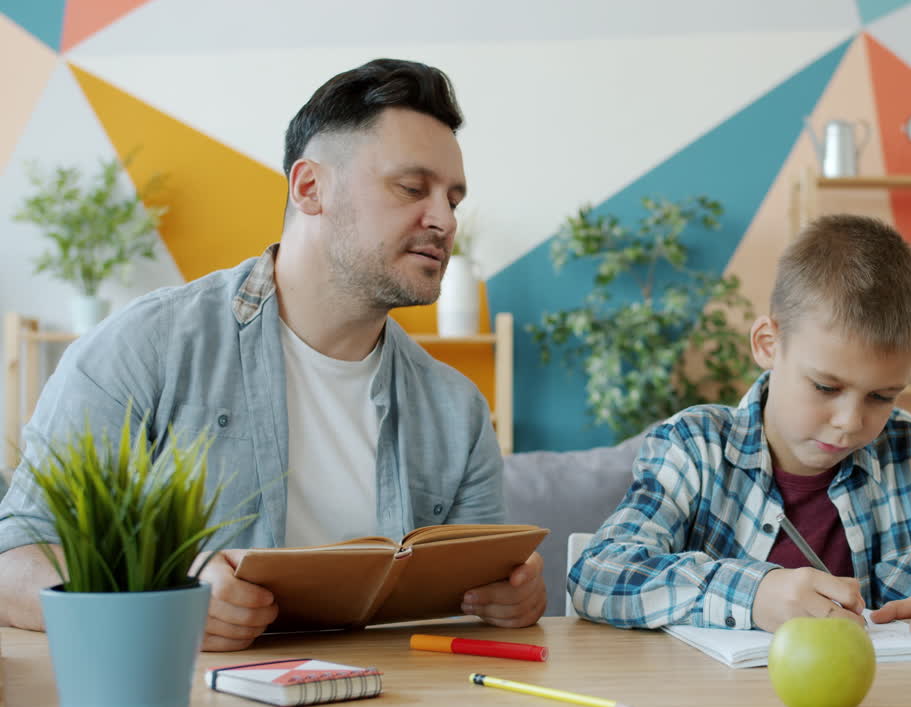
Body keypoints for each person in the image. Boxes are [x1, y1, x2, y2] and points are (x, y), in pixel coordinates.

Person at [0, 59, 546, 650]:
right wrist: (162, 596)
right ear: (310, 188)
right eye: (412, 189)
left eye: (453, 199)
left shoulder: (457, 409)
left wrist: (509, 597)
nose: (443, 219)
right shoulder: (143, 347)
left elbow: (480, 593)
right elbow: (12, 566)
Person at [567, 214, 911, 649]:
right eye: (825, 386)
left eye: (882, 396)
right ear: (768, 344)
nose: (850, 421)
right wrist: (753, 592)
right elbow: (599, 573)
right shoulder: (693, 448)